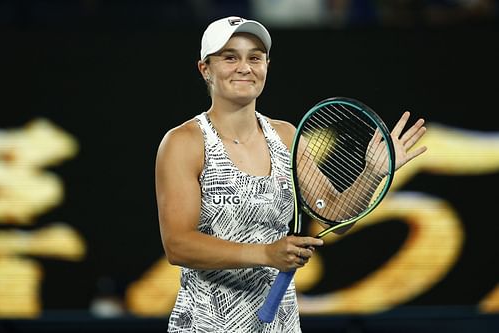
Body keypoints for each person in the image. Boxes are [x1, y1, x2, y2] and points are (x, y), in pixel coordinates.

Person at [155, 16, 427, 332]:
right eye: (230, 57)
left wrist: (371, 174)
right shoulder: (184, 142)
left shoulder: (286, 136)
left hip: (280, 324)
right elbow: (178, 245)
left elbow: (333, 216)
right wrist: (267, 254)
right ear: (205, 69)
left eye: (255, 57)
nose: (245, 67)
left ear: (266, 66)